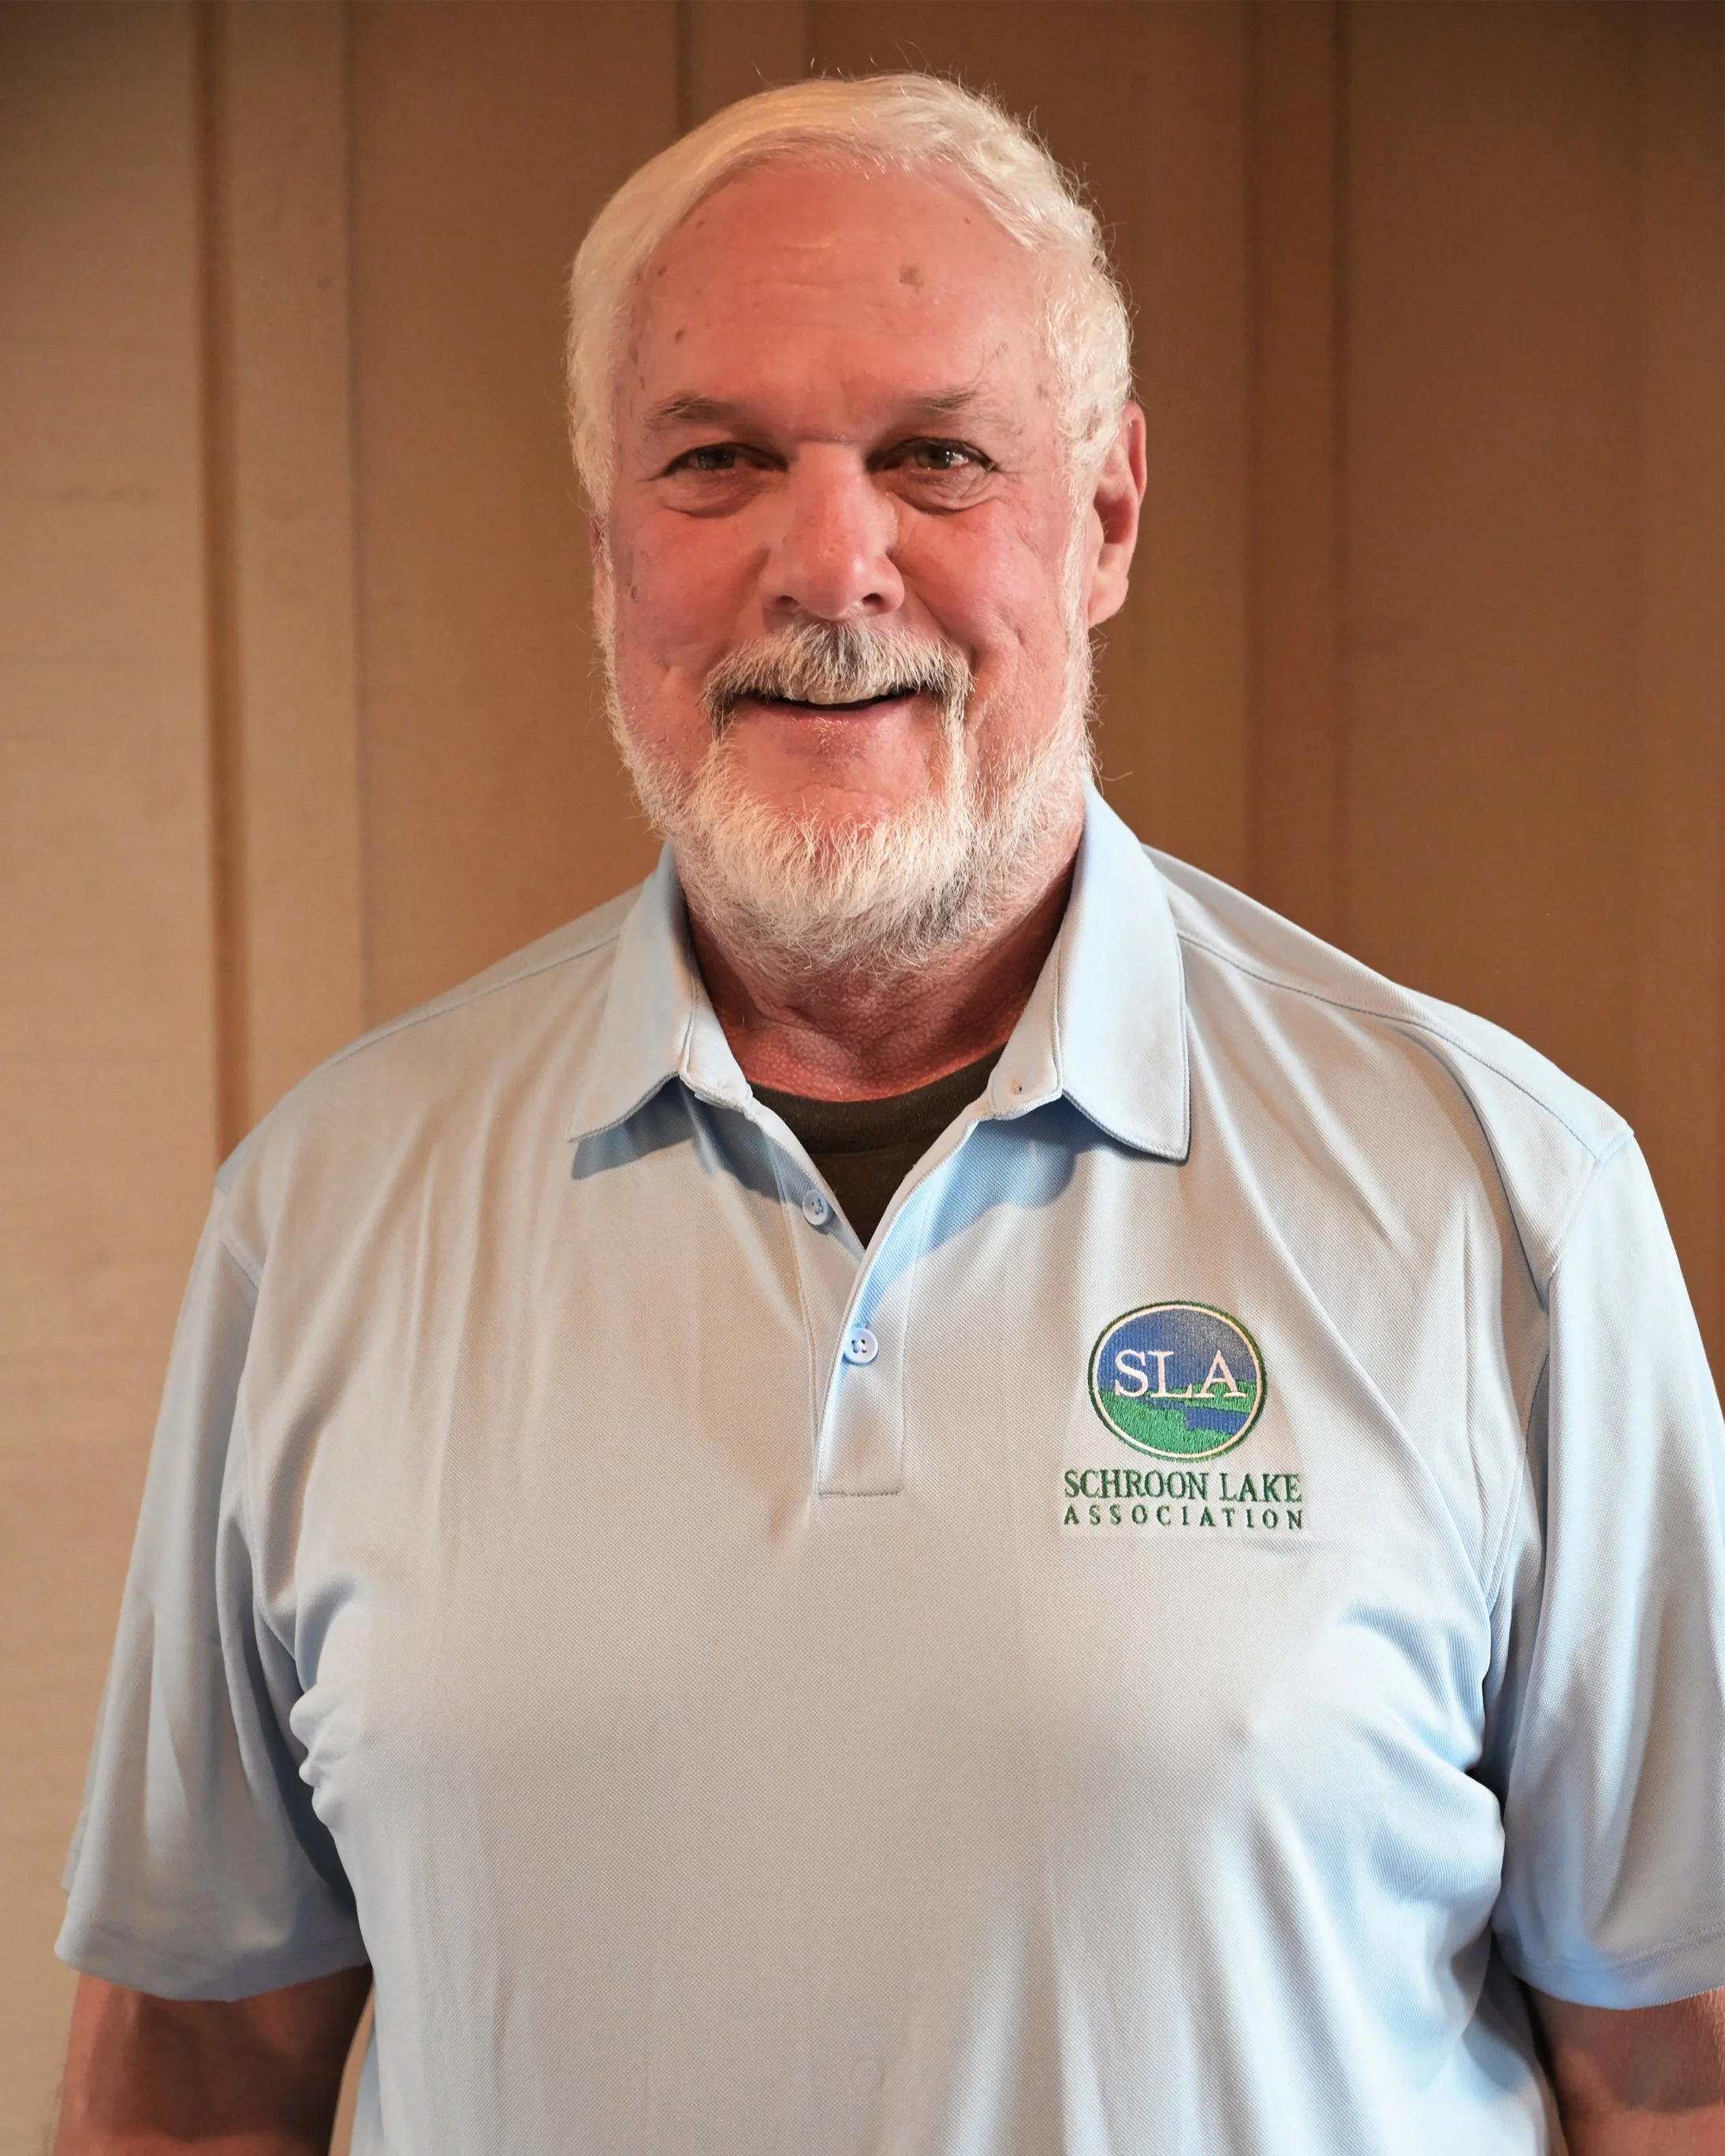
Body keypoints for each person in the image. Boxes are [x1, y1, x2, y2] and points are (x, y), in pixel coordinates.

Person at [51, 73, 1725, 2156]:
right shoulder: (319, 1212)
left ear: (1103, 515)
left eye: (934, 454)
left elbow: (1674, 2063)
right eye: (716, 460)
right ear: (607, 551)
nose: (828, 561)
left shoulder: (1506, 1199)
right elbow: (199, 2078)